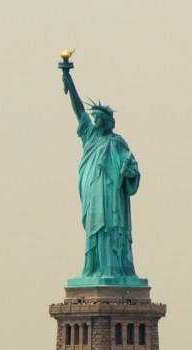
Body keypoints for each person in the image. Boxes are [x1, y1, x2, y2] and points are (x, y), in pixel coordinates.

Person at [61, 66, 141, 280]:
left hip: (111, 195)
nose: (96, 121)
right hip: (93, 192)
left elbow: (133, 170)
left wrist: (128, 173)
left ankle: (114, 269)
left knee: (112, 229)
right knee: (95, 229)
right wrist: (69, 81)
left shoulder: (118, 143)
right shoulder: (90, 136)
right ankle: (94, 268)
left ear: (108, 121)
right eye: (94, 118)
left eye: (99, 119)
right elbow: (79, 111)